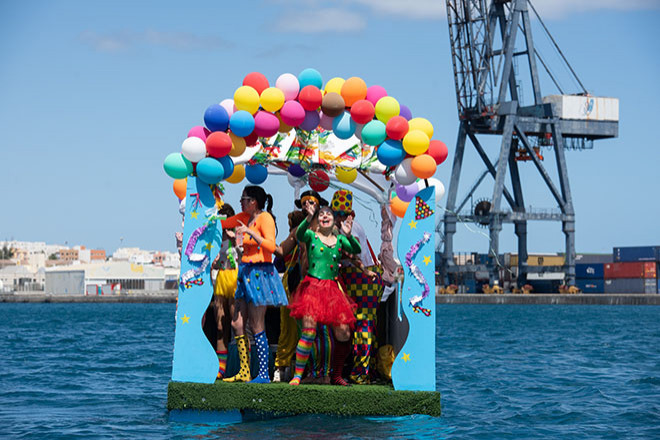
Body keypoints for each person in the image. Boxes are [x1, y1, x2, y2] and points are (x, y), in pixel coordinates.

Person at [220, 186, 288, 383]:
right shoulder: (244, 217)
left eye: (244, 199)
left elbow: (272, 246)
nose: (241, 202)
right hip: (244, 271)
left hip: (260, 273)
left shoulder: (265, 218)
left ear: (253, 201)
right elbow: (223, 223)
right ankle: (244, 370)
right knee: (237, 323)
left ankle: (264, 373)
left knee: (257, 324)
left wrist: (250, 232)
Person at [288, 203, 360, 386]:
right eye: (321, 214)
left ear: (334, 220)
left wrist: (349, 235)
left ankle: (336, 375)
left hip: (332, 290)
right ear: (318, 220)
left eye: (329, 214)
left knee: (344, 333)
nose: (325, 216)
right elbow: (299, 234)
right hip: (312, 287)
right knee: (309, 331)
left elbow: (356, 249)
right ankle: (298, 375)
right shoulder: (311, 236)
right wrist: (308, 217)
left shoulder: (340, 240)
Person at [332, 189, 395, 385]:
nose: (338, 218)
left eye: (341, 214)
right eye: (336, 213)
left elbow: (354, 255)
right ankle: (368, 369)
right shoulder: (346, 227)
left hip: (364, 278)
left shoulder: (350, 229)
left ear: (349, 214)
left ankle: (361, 373)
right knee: (366, 324)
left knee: (363, 324)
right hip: (359, 277)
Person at [272, 209, 305, 382]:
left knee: (292, 330)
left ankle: (283, 368)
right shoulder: (293, 242)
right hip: (293, 288)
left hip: (296, 288)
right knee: (296, 330)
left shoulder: (299, 240)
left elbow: (277, 263)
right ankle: (289, 368)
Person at [210, 203, 239, 380]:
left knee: (237, 324)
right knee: (221, 325)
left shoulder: (238, 234)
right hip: (221, 278)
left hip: (235, 278)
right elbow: (216, 261)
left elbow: (244, 256)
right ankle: (221, 368)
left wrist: (235, 239)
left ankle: (242, 366)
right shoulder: (216, 238)